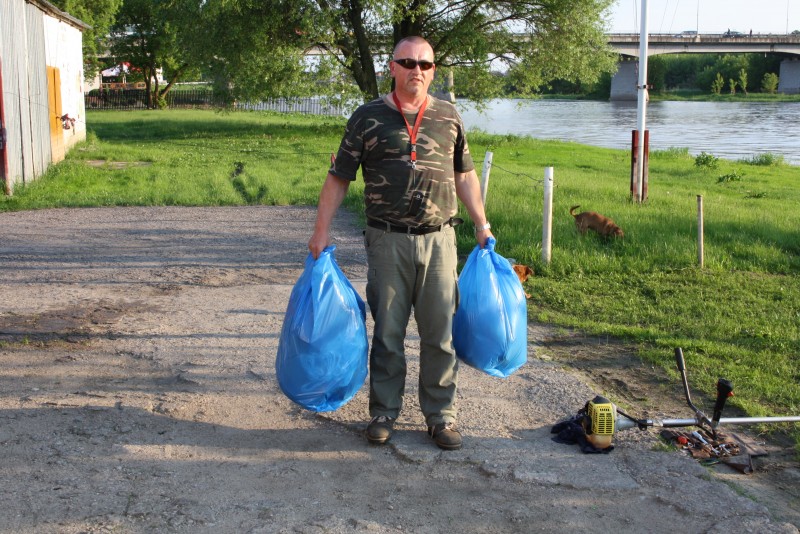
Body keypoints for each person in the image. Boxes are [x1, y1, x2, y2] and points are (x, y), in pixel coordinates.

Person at [307, 36, 493, 451]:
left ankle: (441, 416)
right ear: (391, 68)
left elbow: (464, 174)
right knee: (388, 333)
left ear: (433, 70)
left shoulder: (448, 116)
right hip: (387, 239)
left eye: (425, 65)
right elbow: (339, 176)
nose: (417, 71)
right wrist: (321, 231)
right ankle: (384, 412)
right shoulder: (367, 117)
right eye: (408, 63)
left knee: (440, 333)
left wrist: (481, 223)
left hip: (441, 239)